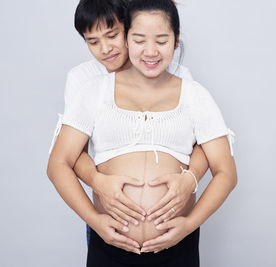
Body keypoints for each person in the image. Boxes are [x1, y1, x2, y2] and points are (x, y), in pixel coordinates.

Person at [47, 0, 237, 266]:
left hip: (177, 244)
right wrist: (96, 215)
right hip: (110, 240)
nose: (150, 51)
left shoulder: (191, 89)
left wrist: (190, 198)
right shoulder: (89, 86)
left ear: (175, 40)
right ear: (130, 39)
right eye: (93, 41)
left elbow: (220, 163)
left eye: (160, 40)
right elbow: (61, 160)